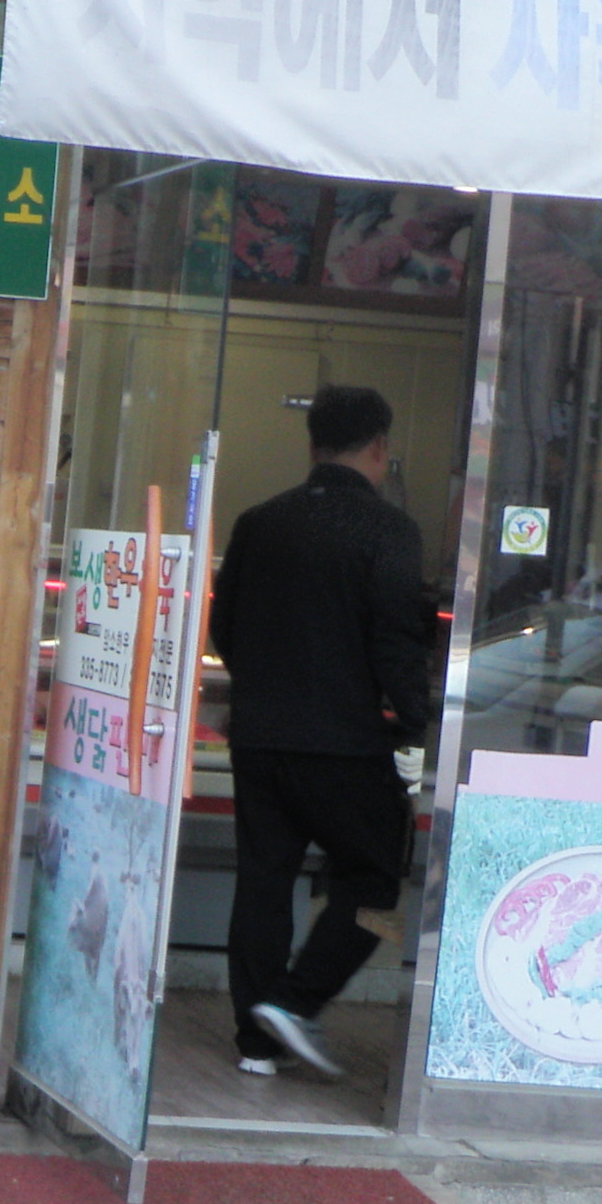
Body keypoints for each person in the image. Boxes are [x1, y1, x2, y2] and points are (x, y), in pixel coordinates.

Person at [207, 383, 435, 1080]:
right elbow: (397, 642)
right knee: (376, 884)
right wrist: (419, 721)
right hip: (345, 744)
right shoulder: (389, 531)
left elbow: (223, 628)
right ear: (380, 448)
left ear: (313, 446)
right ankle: (296, 1001)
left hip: (259, 738)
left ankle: (256, 1044)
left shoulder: (259, 522)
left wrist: (266, 691)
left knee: (264, 882)